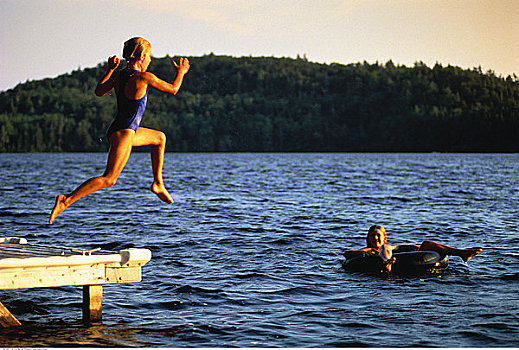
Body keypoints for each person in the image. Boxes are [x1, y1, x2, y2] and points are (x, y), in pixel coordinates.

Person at [49, 37, 190, 224]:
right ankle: (65, 200)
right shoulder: (144, 77)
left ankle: (158, 183)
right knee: (109, 178)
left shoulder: (119, 76)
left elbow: (99, 91)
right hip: (125, 133)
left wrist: (110, 70)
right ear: (142, 57)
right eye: (149, 57)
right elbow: (173, 89)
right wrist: (181, 72)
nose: (149, 61)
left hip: (122, 130)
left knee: (159, 138)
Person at [343, 225, 482, 272]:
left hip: (395, 254)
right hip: (381, 260)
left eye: (378, 236)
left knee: (427, 243)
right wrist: (370, 251)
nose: (375, 239)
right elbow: (347, 254)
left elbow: (404, 247)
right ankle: (386, 263)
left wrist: (416, 248)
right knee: (385, 249)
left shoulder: (390, 246)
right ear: (368, 239)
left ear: (385, 237)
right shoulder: (367, 251)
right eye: (372, 236)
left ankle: (462, 253)